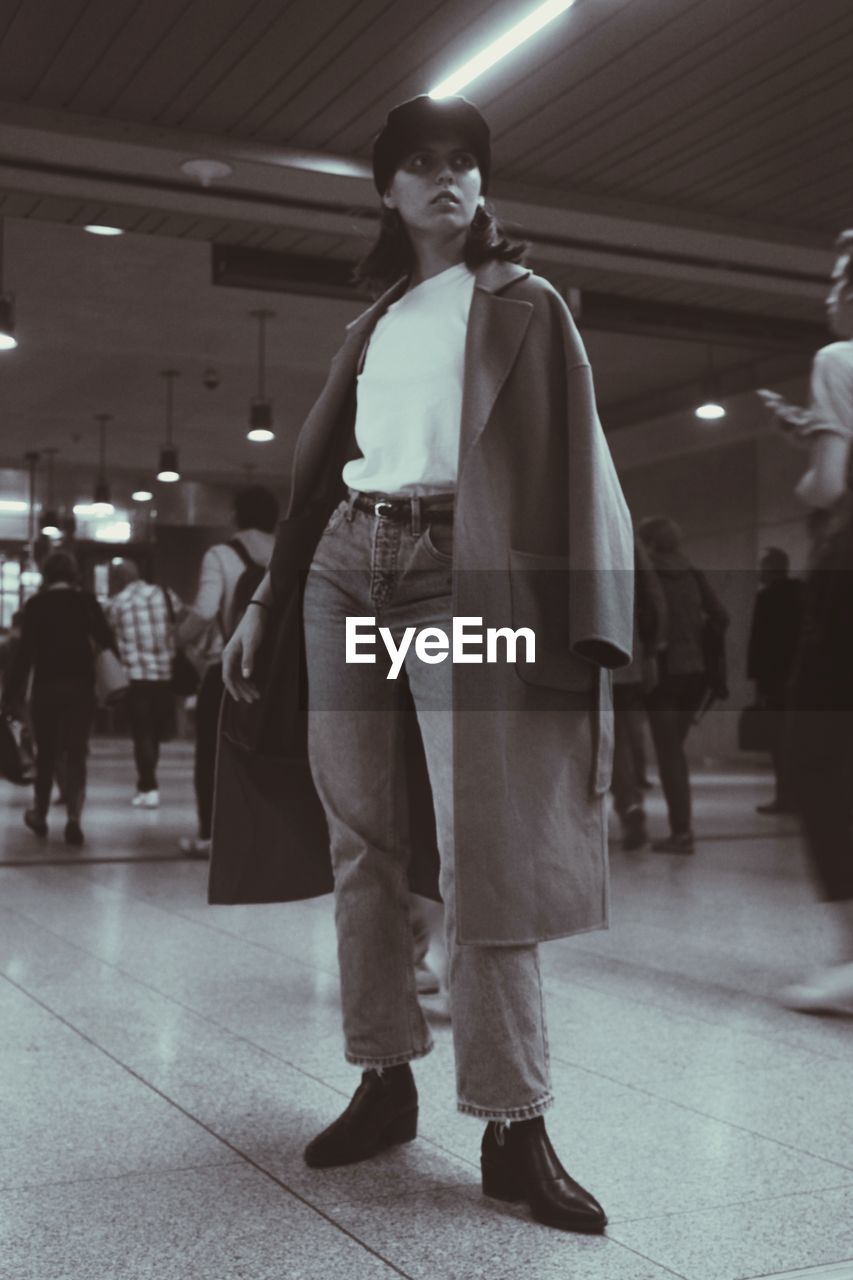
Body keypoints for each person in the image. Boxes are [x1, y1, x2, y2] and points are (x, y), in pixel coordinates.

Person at [218, 94, 634, 1234]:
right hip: (352, 564)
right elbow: (325, 477)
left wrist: (596, 617)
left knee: (484, 842)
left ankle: (514, 1123)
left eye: (464, 163)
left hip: (468, 570)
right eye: (420, 164)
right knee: (364, 837)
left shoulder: (527, 304)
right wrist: (268, 593)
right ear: (388, 192)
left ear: (483, 189)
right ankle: (383, 1074)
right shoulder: (379, 317)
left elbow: (576, 458)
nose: (446, 180)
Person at [758, 229, 853, 1014]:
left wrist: (810, 462)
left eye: (835, 278)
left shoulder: (839, 361)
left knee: (821, 754)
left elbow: (826, 488)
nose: (828, 292)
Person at [177, 485, 278, 857]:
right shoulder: (286, 551)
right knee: (268, 755)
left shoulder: (221, 554)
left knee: (212, 754)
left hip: (229, 668)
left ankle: (212, 835)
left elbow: (204, 611)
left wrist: (177, 639)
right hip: (278, 674)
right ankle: (266, 835)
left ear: (236, 516)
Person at [1, 550, 114, 845]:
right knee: (77, 752)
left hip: (46, 689)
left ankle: (39, 814)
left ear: (47, 575)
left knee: (47, 753)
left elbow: (23, 655)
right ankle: (74, 818)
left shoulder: (36, 605)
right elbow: (107, 642)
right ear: (74, 574)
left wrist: (10, 694)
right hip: (81, 689)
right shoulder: (87, 603)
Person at [638, 516, 729, 854]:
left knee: (669, 755)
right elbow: (721, 616)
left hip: (663, 675)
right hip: (697, 675)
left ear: (647, 543)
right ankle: (682, 829)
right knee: (674, 749)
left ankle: (682, 833)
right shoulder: (693, 573)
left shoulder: (645, 575)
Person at [108, 559, 182, 808]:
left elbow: (110, 637)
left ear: (118, 579)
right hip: (164, 675)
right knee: (156, 733)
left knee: (142, 734)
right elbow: (180, 619)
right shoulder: (164, 594)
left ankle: (148, 786)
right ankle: (149, 783)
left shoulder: (117, 604)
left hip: (135, 677)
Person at [611, 540, 667, 850]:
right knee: (619, 739)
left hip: (565, 659)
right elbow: (654, 600)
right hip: (621, 655)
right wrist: (650, 654)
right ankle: (630, 804)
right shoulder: (626, 537)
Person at [746, 547, 805, 814]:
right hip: (805, 680)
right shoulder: (804, 594)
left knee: (779, 743)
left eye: (763, 567)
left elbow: (760, 645)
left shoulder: (767, 598)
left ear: (772, 570)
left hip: (775, 682)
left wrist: (758, 684)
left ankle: (784, 797)